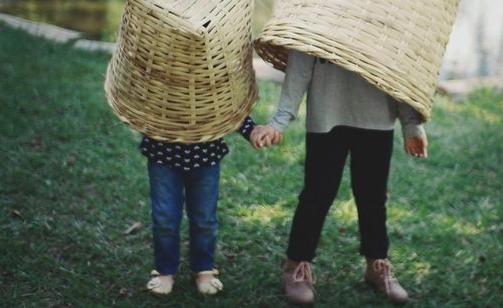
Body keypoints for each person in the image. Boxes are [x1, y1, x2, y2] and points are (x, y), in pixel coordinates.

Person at [253, 50, 428, 305]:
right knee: (317, 194)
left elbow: (400, 66)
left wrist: (411, 124)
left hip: (377, 117)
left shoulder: (387, 13)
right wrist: (279, 122)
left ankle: (376, 263)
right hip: (328, 115)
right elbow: (300, 65)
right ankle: (296, 266)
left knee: (373, 197)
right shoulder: (316, 14)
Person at [142, 119, 280, 296]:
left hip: (205, 155)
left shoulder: (210, 91)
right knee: (164, 217)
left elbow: (227, 105)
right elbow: (142, 100)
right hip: (162, 152)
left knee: (204, 218)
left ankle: (204, 268)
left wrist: (251, 130)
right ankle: (165, 270)